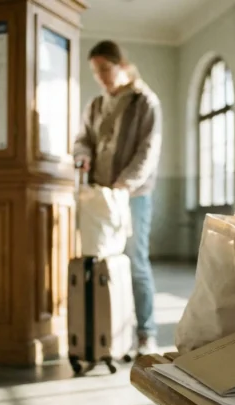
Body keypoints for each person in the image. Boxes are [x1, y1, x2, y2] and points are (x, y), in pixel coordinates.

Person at [73, 40, 162, 355]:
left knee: (135, 262)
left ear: (122, 65)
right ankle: (102, 330)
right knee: (97, 262)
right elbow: (83, 139)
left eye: (105, 70)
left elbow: (148, 150)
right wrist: (82, 156)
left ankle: (145, 333)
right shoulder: (96, 105)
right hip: (98, 196)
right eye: (96, 72)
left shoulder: (144, 102)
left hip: (133, 195)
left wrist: (125, 184)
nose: (101, 77)